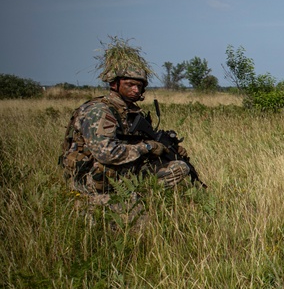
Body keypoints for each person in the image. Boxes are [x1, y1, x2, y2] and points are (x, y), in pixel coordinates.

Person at [59, 46, 193, 204]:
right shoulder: (101, 112)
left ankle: (141, 198)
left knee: (180, 167)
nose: (136, 90)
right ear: (114, 84)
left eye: (139, 86)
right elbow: (106, 153)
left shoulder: (128, 111)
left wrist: (168, 148)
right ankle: (125, 200)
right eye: (130, 84)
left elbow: (132, 141)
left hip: (119, 172)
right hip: (91, 178)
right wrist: (147, 147)